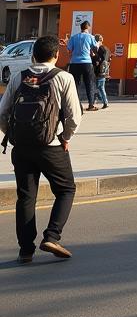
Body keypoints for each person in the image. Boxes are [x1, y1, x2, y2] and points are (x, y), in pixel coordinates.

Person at [0, 35, 82, 262]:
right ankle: (52, 236)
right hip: (50, 146)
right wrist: (65, 137)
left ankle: (25, 250)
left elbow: (2, 113)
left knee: (26, 197)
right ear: (56, 56)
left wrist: (13, 134)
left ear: (33, 55)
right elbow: (74, 116)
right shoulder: (64, 78)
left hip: (21, 147)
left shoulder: (19, 77)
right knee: (66, 189)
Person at [66, 20, 98, 111]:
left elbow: (69, 50)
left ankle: (75, 105)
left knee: (75, 84)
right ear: (88, 27)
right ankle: (91, 105)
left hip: (74, 63)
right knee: (89, 84)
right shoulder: (90, 37)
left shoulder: (73, 37)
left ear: (81, 28)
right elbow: (95, 48)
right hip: (87, 63)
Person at [91, 35, 110, 110]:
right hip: (105, 71)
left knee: (98, 87)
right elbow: (108, 60)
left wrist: (94, 56)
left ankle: (102, 101)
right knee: (100, 87)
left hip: (99, 71)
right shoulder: (107, 49)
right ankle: (103, 102)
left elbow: (99, 60)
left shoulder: (100, 49)